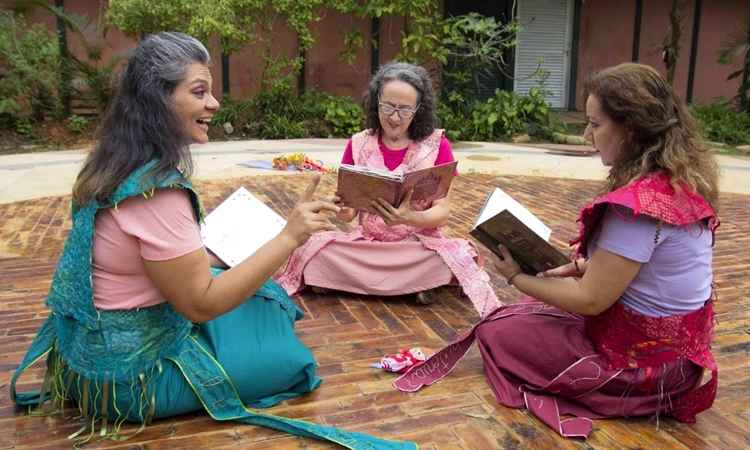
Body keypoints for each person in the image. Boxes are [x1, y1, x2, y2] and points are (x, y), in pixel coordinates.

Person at [10, 32, 414, 449]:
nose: (214, 104)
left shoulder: (110, 162)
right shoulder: (158, 191)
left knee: (264, 295)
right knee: (293, 362)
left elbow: (145, 258)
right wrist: (290, 236)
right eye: (199, 91)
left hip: (86, 360)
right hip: (131, 380)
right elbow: (200, 305)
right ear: (157, 99)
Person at [392, 63, 720, 438]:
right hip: (681, 360)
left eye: (595, 125)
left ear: (631, 128)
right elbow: (648, 274)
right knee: (519, 316)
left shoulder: (636, 208)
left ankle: (628, 398)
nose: (586, 135)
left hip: (646, 369)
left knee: (497, 333)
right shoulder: (678, 184)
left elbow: (591, 301)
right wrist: (583, 267)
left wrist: (516, 276)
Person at [275, 62, 500, 317]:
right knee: (313, 248)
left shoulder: (438, 146)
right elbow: (348, 215)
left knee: (457, 255)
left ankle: (349, 281)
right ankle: (414, 286)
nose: (394, 117)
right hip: (368, 245)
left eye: (404, 109)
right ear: (375, 103)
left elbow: (442, 213)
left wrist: (409, 217)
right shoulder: (358, 143)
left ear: (418, 109)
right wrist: (340, 205)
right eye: (388, 107)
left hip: (415, 247)